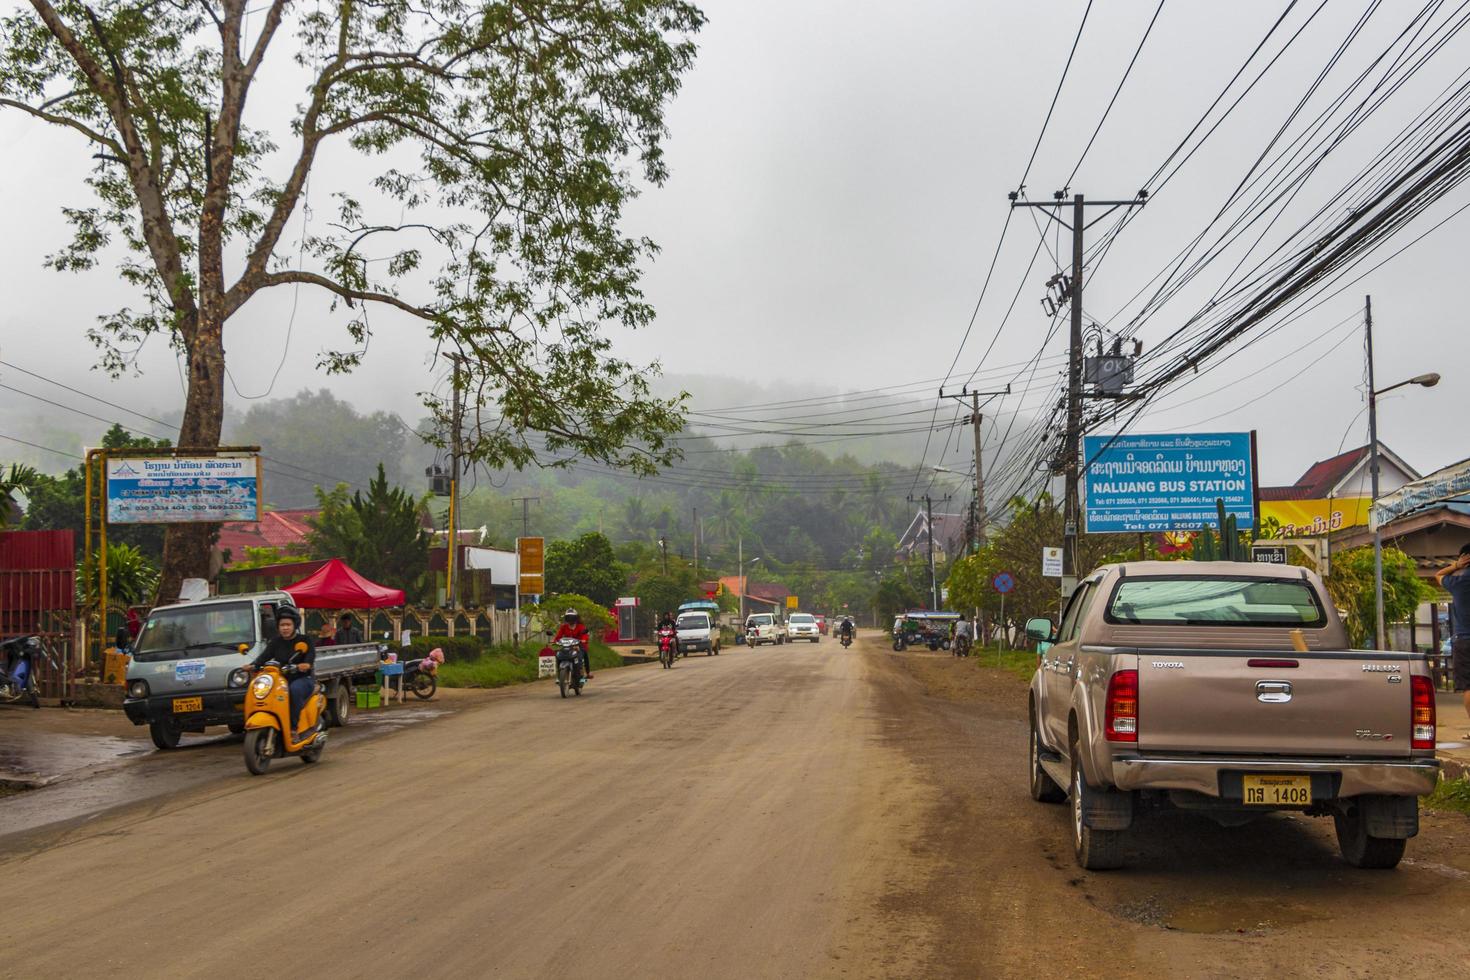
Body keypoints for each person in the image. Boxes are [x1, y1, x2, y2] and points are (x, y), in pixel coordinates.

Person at [252, 607, 316, 735]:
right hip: (281, 679)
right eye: (282, 625)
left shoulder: (304, 640)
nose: (285, 628)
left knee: (294, 690)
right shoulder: (275, 642)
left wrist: (304, 665)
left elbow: (310, 658)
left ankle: (293, 727)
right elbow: (264, 657)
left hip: (302, 678)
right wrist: (252, 665)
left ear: (295, 625)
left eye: (288, 625)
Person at [1434, 544, 1470, 731]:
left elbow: (1438, 575)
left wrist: (1456, 565)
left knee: (1468, 687)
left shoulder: (1457, 583)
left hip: (1464, 640)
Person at [553, 608, 592, 679]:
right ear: (566, 618)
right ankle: (559, 674)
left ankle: (587, 672)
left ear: (576, 618)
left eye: (572, 617)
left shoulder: (581, 626)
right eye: (568, 617)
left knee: (582, 655)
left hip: (579, 646)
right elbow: (558, 636)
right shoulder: (563, 627)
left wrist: (583, 640)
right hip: (567, 646)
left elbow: (585, 635)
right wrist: (555, 641)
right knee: (559, 656)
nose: (570, 619)